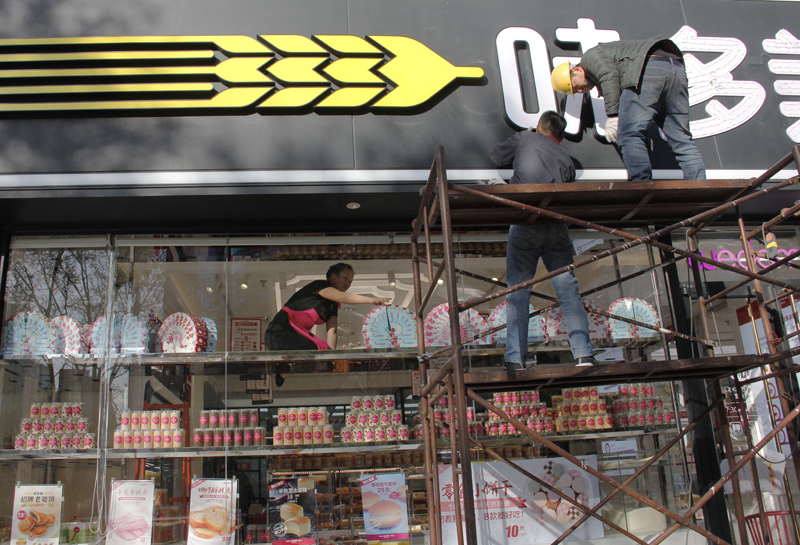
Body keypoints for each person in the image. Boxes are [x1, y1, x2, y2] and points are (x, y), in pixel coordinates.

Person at [490, 111, 596, 369]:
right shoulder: (566, 159)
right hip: (556, 225)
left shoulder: (525, 138)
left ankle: (515, 358)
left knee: (518, 292)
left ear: (538, 127)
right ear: (561, 136)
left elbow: (496, 155)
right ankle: (583, 354)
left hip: (526, 220)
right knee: (568, 290)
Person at [551, 38, 705, 182]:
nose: (580, 90)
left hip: (648, 69)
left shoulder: (589, 57)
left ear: (576, 69)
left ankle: (641, 184)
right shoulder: (604, 63)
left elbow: (609, 75)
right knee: (681, 139)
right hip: (676, 69)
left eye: (574, 86)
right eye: (576, 92)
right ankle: (699, 186)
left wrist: (613, 115)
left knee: (629, 134)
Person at [264, 263, 390, 350]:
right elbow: (342, 297)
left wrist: (332, 358)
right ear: (333, 276)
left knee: (324, 350)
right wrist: (370, 300)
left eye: (350, 281)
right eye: (345, 278)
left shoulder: (332, 305)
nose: (347, 284)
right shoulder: (319, 285)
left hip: (295, 336)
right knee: (315, 350)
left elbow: (332, 331)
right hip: (279, 332)